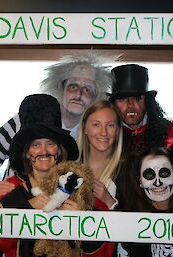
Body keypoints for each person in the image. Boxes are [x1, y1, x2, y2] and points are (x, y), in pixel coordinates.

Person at [0, 53, 113, 193]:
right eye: (73, 86)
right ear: (61, 88)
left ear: (95, 97)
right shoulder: (30, 117)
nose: (78, 95)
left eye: (87, 90)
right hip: (14, 204)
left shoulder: (95, 133)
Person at [0, 123, 79, 257]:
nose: (44, 151)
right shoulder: (11, 187)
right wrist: (27, 207)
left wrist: (80, 219)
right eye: (36, 145)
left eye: (50, 144)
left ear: (59, 150)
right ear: (27, 153)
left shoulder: (76, 186)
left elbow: (99, 246)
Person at [117, 147, 173, 257]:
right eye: (149, 175)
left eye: (164, 173)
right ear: (140, 182)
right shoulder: (133, 221)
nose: (158, 183)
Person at [108, 64, 173, 156]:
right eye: (122, 99)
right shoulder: (105, 137)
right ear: (113, 104)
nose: (130, 105)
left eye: (137, 98)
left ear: (147, 100)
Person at [77, 99, 123, 257]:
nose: (103, 133)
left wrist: (110, 202)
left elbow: (135, 230)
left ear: (117, 131)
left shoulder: (128, 170)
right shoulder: (68, 170)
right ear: (85, 128)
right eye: (96, 124)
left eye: (110, 125)